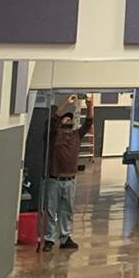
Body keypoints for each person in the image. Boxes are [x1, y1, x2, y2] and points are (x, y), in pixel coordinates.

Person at [43, 94, 93, 251]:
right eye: (65, 118)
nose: (68, 120)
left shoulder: (76, 135)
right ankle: (49, 239)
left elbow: (88, 122)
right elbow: (52, 121)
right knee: (51, 210)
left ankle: (65, 238)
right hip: (54, 179)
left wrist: (90, 106)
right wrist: (67, 103)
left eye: (70, 119)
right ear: (60, 122)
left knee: (67, 210)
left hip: (70, 180)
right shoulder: (54, 135)